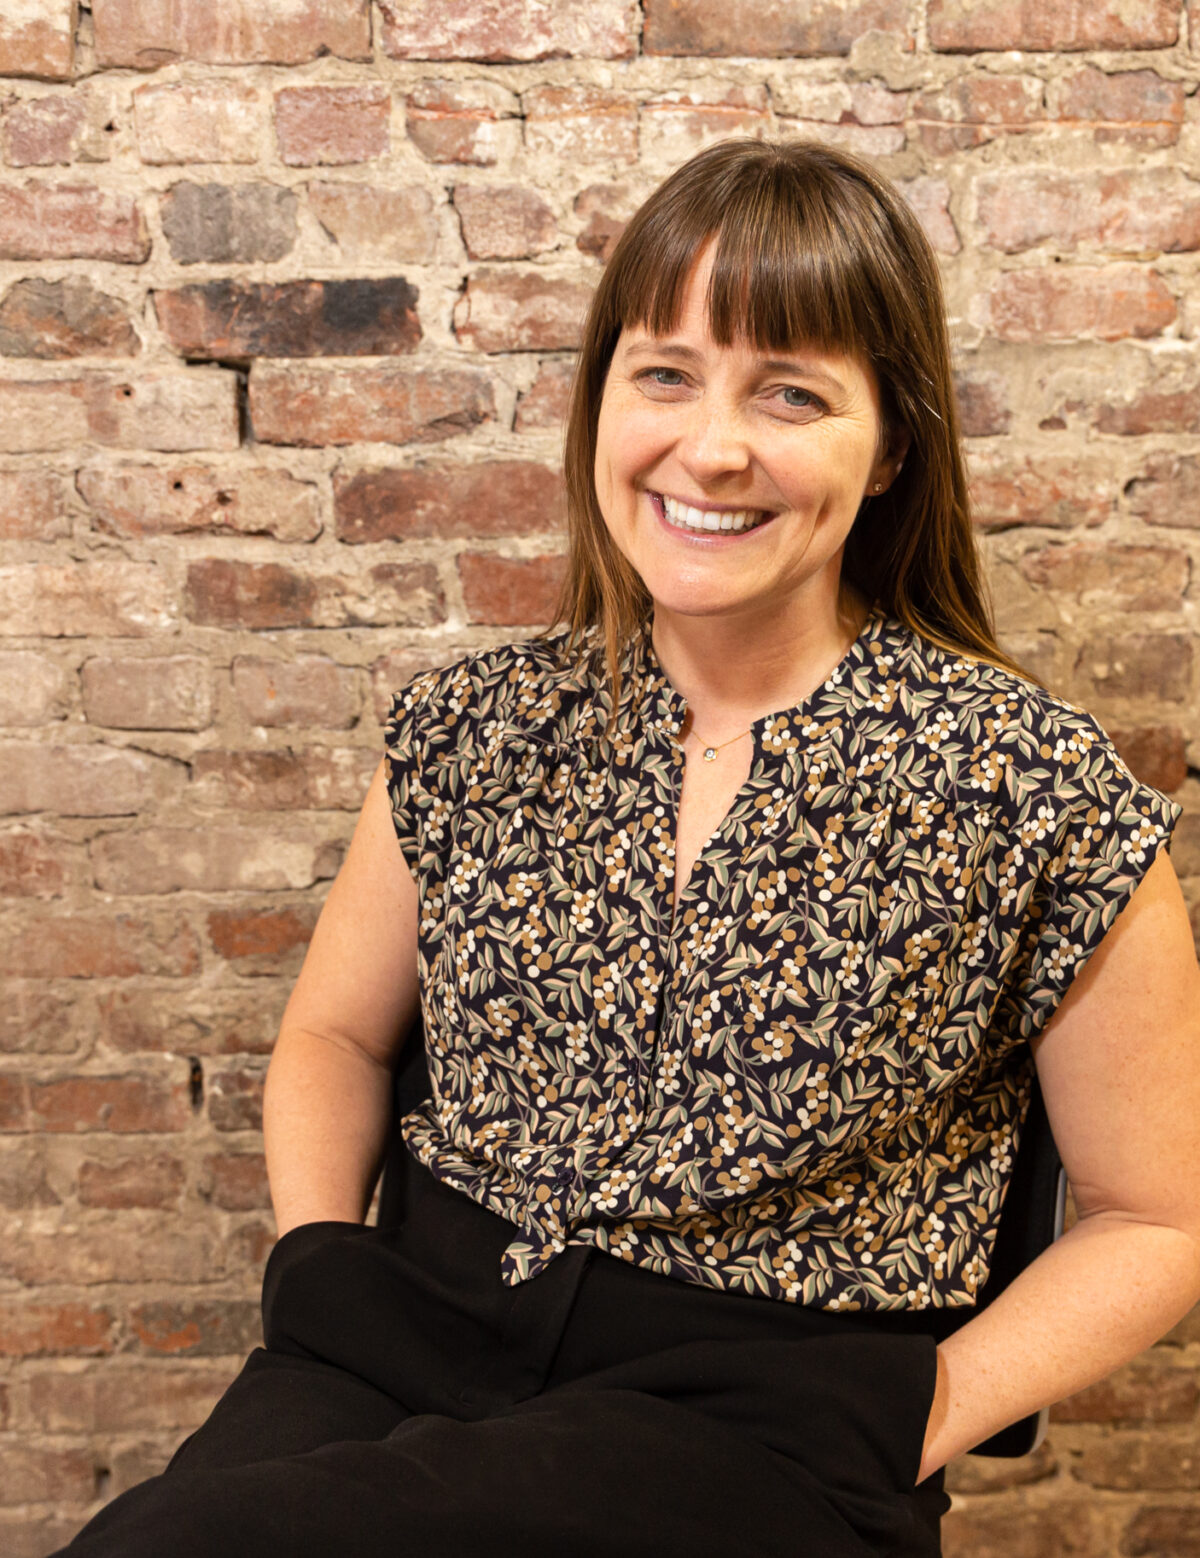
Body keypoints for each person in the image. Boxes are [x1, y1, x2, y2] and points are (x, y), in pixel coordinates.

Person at [54, 138, 1200, 1558]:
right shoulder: (472, 728)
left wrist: (910, 1409)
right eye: (665, 373)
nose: (711, 446)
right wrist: (315, 1263)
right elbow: (334, 1040)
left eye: (791, 392)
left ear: (894, 444)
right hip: (397, 1340)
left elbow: (1159, 1215)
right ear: (603, 399)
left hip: (760, 1414)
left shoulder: (1031, 788)